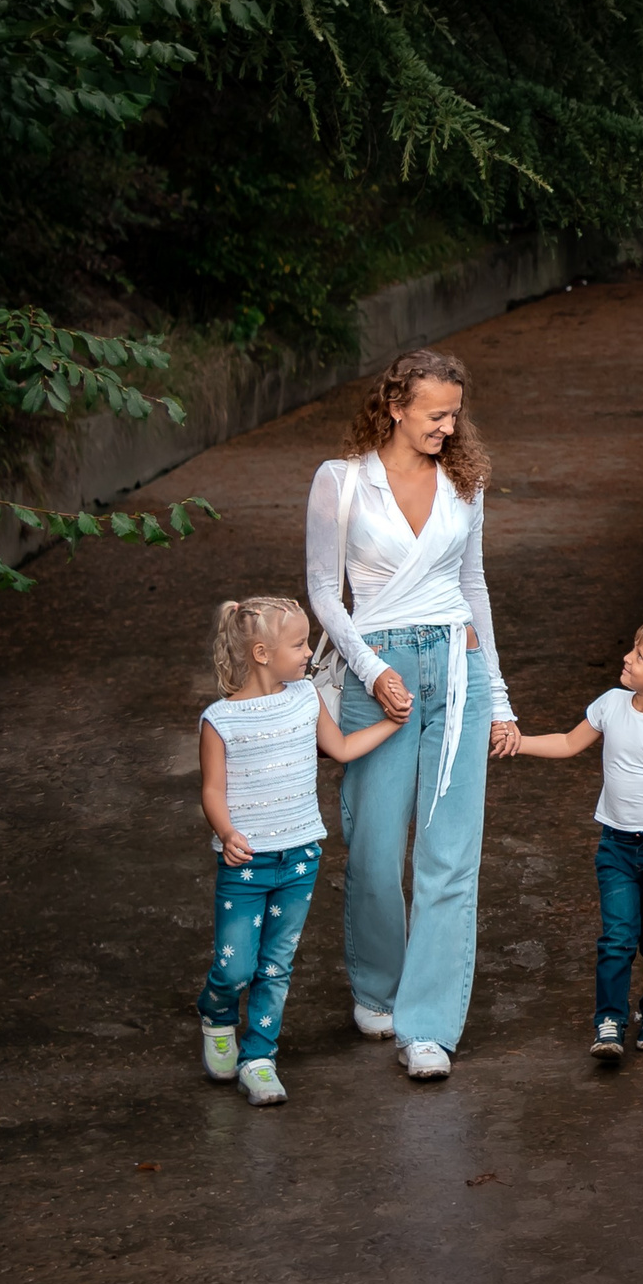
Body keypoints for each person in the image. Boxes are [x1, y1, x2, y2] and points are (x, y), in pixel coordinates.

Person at [306, 348, 522, 1082]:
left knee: (449, 856)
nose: (447, 427)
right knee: (372, 851)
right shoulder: (340, 481)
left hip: (459, 669)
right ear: (395, 406)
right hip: (379, 672)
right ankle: (377, 986)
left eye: (454, 414)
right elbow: (325, 593)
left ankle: (428, 1027)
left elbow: (474, 585)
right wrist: (373, 670)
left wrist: (499, 696)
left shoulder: (466, 481)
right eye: (435, 414)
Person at [197, 596, 401, 1106]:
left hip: (300, 857)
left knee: (276, 965)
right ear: (262, 654)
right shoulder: (220, 719)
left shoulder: (306, 697)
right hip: (246, 864)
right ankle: (217, 1013)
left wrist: (393, 724)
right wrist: (226, 832)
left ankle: (259, 1058)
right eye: (300, 644)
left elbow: (342, 748)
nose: (310, 653)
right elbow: (212, 789)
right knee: (235, 968)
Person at [514, 617, 643, 1059]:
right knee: (617, 937)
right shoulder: (611, 704)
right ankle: (609, 1019)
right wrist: (519, 742)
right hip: (616, 847)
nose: (626, 658)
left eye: (639, 656)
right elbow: (568, 743)